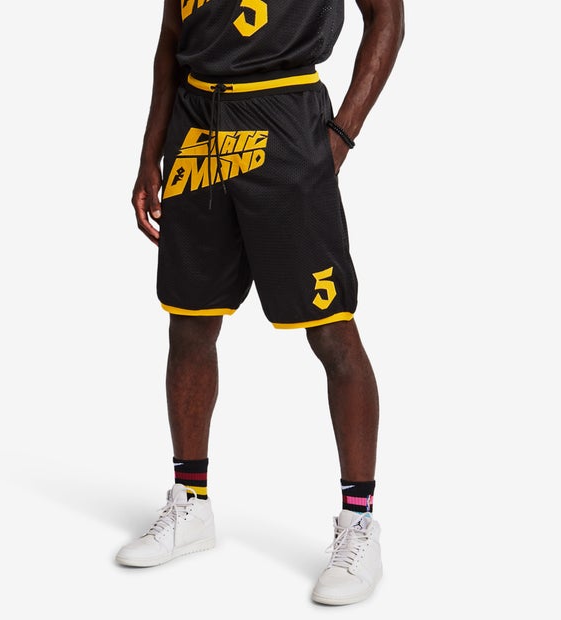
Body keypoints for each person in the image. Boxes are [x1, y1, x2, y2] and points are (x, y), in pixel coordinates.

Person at [116, 0, 404, 606]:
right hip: (197, 125)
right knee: (189, 323)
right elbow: (171, 36)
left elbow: (388, 17)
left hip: (286, 118)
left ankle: (359, 523)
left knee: (332, 331)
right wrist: (149, 150)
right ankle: (191, 503)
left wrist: (340, 134)